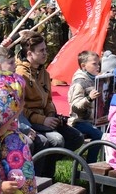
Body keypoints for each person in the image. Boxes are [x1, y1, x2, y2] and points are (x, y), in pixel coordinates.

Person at [15, 31, 84, 176]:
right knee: (55, 140)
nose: (45, 53)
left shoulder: (44, 73)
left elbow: (48, 100)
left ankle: (48, 170)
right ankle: (42, 178)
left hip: (45, 119)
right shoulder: (20, 74)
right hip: (29, 122)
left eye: (45, 49)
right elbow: (20, 108)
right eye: (41, 51)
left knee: (76, 137)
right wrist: (43, 120)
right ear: (29, 54)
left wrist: (52, 116)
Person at [67, 50, 103, 163]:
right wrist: (89, 99)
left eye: (99, 64)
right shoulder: (80, 82)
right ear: (83, 66)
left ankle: (108, 162)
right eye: (94, 64)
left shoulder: (95, 79)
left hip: (93, 120)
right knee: (99, 135)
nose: (98, 67)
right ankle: (90, 165)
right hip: (79, 121)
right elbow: (75, 106)